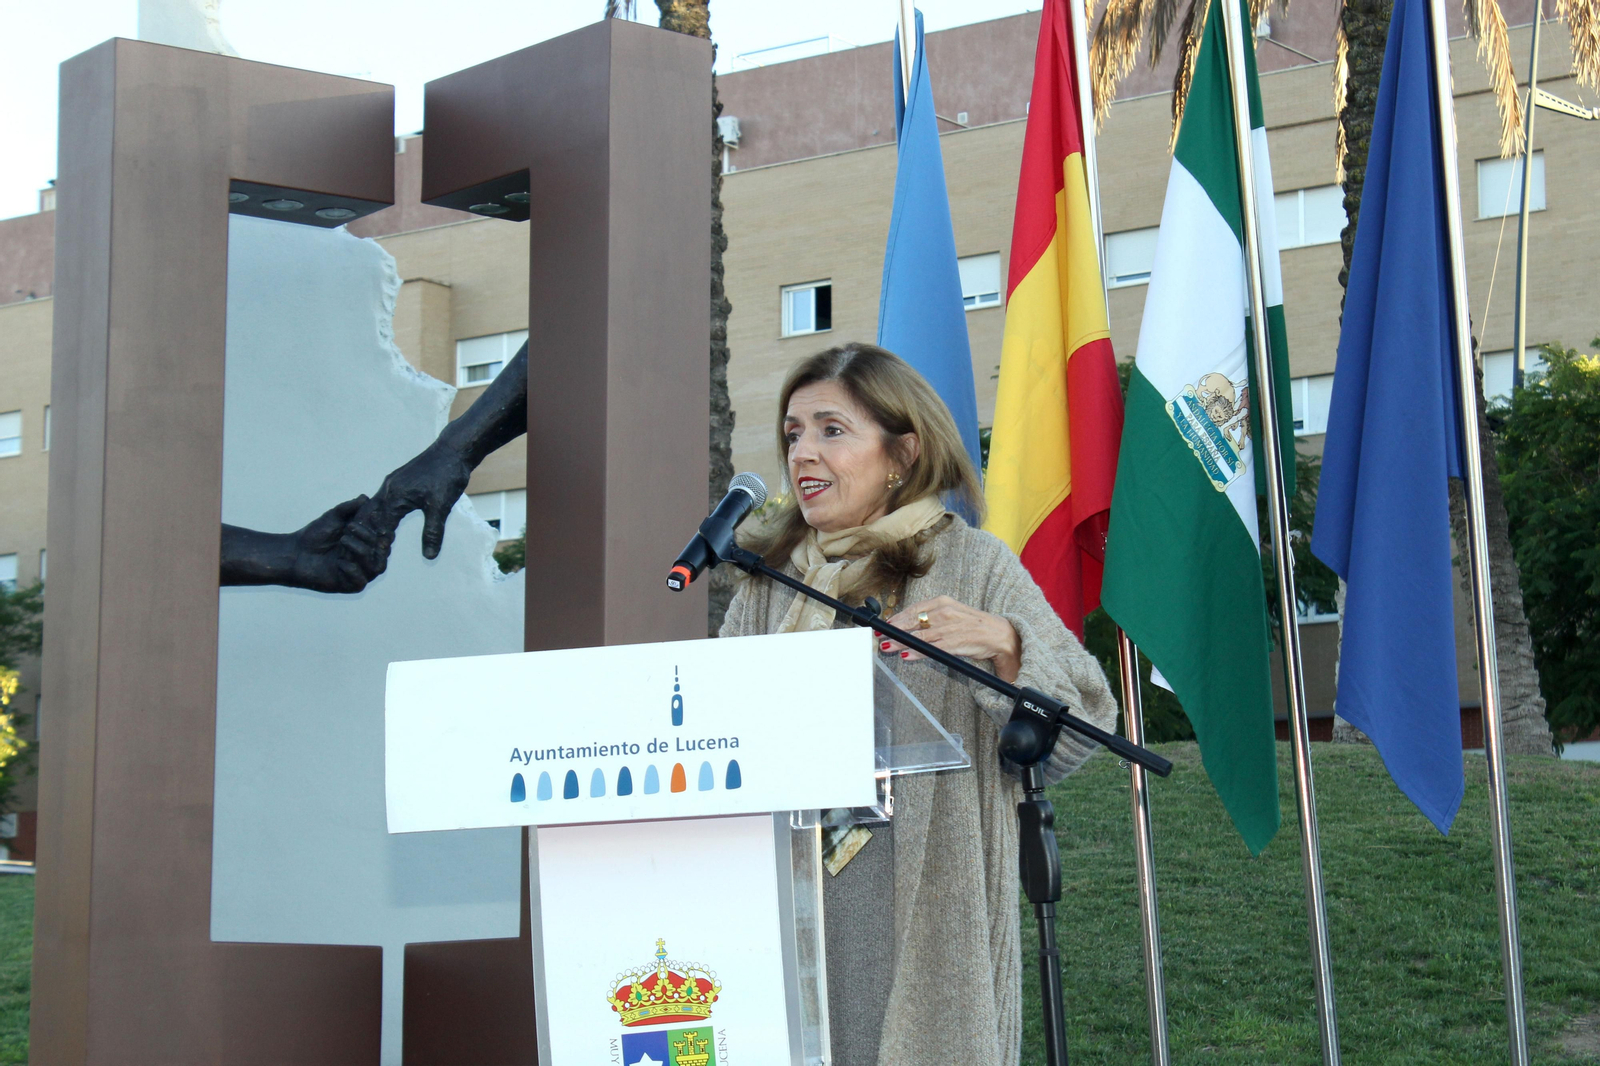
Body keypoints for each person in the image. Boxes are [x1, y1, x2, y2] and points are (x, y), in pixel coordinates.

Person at [719, 342, 1116, 1066]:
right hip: (790, 907)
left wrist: (1006, 644)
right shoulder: (768, 585)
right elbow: (716, 742)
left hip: (928, 917)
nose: (804, 452)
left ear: (902, 452)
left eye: (831, 430)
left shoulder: (971, 563)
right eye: (793, 433)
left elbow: (1084, 718)